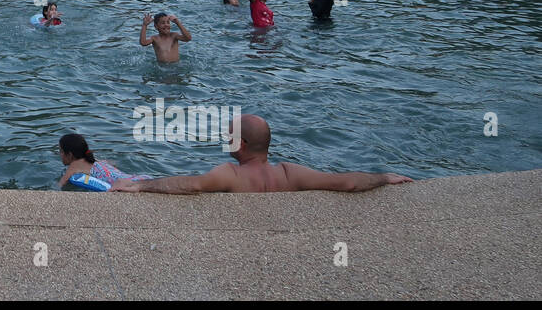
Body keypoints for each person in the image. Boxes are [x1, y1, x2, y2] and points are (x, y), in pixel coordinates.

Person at [110, 114, 411, 194]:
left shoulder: (231, 175)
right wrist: (383, 177)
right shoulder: (290, 173)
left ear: (239, 145)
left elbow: (192, 185)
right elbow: (346, 182)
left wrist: (140, 185)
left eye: (228, 135)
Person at [57, 134, 149, 189]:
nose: (59, 154)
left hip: (124, 185)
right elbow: (113, 163)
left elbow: (60, 185)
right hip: (138, 178)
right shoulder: (96, 160)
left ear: (69, 155)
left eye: (61, 151)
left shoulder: (74, 166)